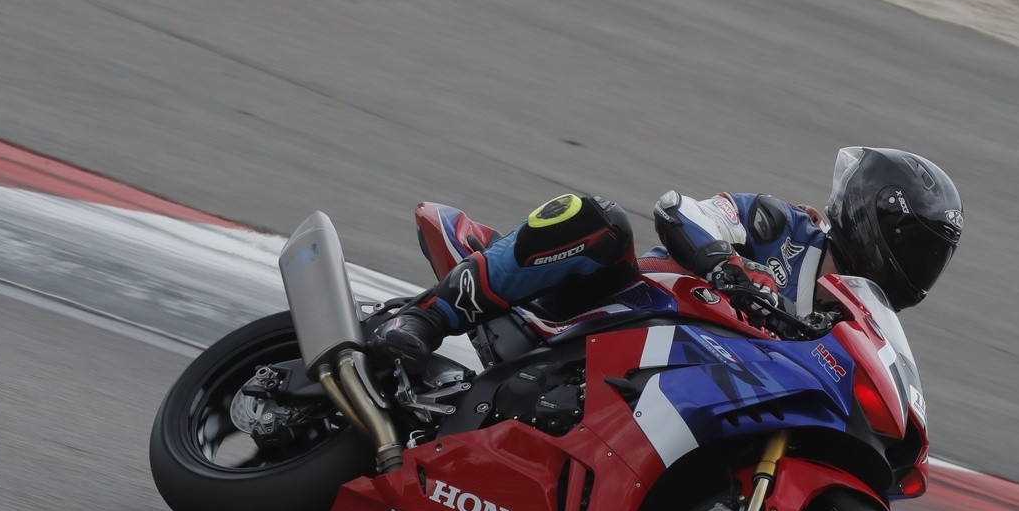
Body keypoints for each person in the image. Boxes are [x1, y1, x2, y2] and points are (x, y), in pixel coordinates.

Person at [372, 146, 962, 368]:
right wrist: (726, 267)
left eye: (934, 254)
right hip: (618, 310)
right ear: (873, 219)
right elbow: (683, 211)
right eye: (918, 245)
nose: (923, 264)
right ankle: (425, 319)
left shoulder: (856, 325)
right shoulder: (782, 226)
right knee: (597, 219)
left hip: (685, 391)